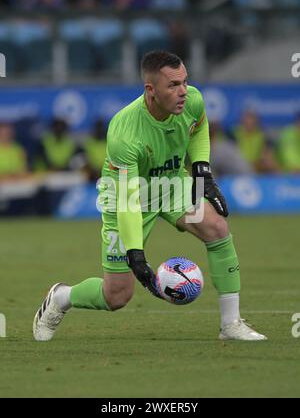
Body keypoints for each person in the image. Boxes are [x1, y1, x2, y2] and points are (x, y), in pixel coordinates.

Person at [33, 51, 267, 342]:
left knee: (217, 228)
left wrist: (202, 172)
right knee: (117, 295)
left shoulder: (192, 99)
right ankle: (62, 297)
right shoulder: (124, 131)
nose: (183, 91)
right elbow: (129, 201)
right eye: (173, 85)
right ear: (151, 90)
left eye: (185, 81)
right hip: (128, 194)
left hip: (172, 184)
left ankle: (230, 324)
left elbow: (199, 127)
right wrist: (136, 255)